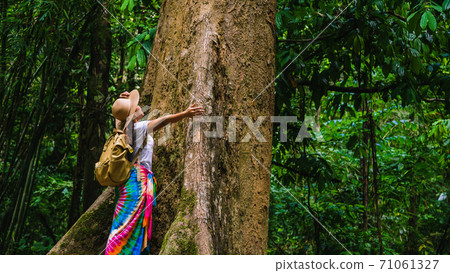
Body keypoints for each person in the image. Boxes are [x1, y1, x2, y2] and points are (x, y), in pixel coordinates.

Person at [105, 89, 204, 255]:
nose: (138, 107)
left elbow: (120, 118)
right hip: (137, 183)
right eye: (135, 107)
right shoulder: (139, 128)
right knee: (129, 227)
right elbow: (163, 121)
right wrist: (186, 114)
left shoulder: (121, 130)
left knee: (123, 225)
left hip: (126, 183)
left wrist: (122, 104)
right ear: (132, 115)